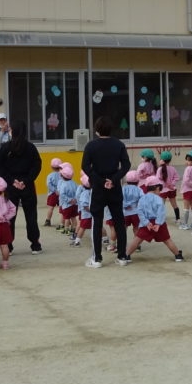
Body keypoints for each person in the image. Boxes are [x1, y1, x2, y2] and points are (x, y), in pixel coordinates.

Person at [80, 114, 131, 268]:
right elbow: (126, 165)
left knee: (96, 221)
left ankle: (97, 259)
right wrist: (114, 179)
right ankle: (122, 256)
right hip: (114, 187)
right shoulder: (119, 144)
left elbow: (85, 166)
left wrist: (101, 181)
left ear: (96, 129)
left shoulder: (91, 145)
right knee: (119, 222)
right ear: (111, 129)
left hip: (98, 188)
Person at [0, 118, 43, 253]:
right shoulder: (31, 147)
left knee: (9, 216)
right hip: (28, 186)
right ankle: (35, 244)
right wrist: (26, 181)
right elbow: (37, 165)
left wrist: (12, 181)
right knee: (31, 215)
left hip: (11, 187)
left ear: (12, 131)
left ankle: (8, 245)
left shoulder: (5, 147)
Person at [124, 175, 184, 264]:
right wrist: (158, 224)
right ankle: (178, 255)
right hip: (158, 223)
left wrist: (146, 223)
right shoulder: (159, 199)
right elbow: (161, 212)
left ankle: (127, 256)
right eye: (160, 189)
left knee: (137, 239)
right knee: (167, 240)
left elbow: (140, 212)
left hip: (146, 223)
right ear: (156, 188)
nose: (160, 191)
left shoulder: (142, 198)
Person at [57, 163, 81, 245]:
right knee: (73, 217)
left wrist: (69, 200)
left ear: (62, 176)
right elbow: (78, 192)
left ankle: (66, 229)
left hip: (67, 205)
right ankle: (74, 229)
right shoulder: (74, 183)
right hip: (75, 204)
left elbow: (62, 194)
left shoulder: (63, 185)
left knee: (66, 218)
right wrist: (75, 200)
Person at [179, 151, 192, 230]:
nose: (187, 162)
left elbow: (186, 180)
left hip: (187, 190)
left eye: (189, 160)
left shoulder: (188, 168)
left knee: (186, 207)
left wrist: (191, 185)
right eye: (187, 160)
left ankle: (185, 224)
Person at [158, 151, 180, 222]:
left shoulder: (160, 169)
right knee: (174, 204)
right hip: (172, 189)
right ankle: (178, 218)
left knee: (161, 205)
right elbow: (177, 177)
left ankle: (161, 219)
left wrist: (165, 185)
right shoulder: (172, 168)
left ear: (161, 159)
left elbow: (158, 179)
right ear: (170, 160)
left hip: (163, 190)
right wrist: (171, 184)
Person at [43, 158, 63, 229]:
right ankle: (64, 222)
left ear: (51, 167)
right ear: (61, 166)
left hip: (52, 194)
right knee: (62, 208)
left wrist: (54, 190)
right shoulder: (62, 174)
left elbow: (48, 184)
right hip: (61, 194)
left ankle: (48, 220)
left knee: (51, 208)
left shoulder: (50, 175)